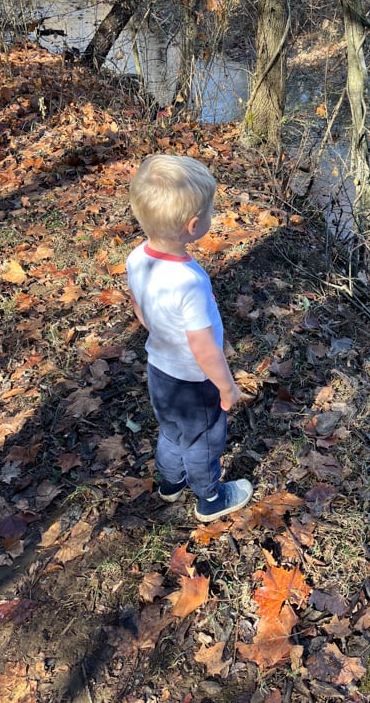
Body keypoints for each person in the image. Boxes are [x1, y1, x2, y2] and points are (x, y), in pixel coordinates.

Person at [126, 154, 253, 522]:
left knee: (171, 430)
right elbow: (203, 347)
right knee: (203, 440)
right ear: (194, 225)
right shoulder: (190, 281)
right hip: (194, 381)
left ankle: (170, 483)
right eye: (210, 213)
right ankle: (210, 498)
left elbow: (138, 305)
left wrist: (158, 330)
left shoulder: (137, 257)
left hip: (160, 370)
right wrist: (227, 387)